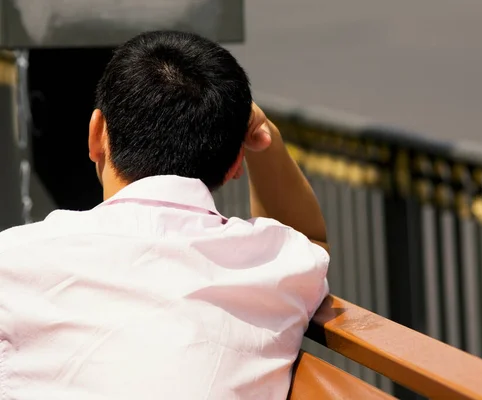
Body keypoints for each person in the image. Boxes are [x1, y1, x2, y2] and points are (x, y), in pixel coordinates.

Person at [0, 31, 329, 399]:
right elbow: (308, 241)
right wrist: (264, 137)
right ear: (236, 163)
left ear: (96, 135)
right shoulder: (271, 263)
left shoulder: (13, 257)